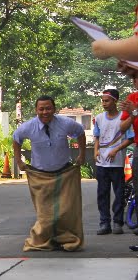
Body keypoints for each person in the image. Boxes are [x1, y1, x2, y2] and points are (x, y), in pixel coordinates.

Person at [13, 95, 86, 252]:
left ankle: (64, 239)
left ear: (54, 109)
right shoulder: (29, 126)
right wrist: (19, 161)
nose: (45, 112)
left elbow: (80, 132)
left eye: (48, 108)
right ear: (36, 110)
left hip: (64, 173)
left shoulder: (66, 123)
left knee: (65, 210)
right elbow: (16, 138)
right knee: (45, 213)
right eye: (41, 109)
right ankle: (43, 239)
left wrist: (82, 154)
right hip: (40, 175)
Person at [93, 89, 134, 235]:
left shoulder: (123, 119)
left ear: (115, 101)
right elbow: (97, 137)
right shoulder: (98, 118)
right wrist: (96, 151)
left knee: (119, 193)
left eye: (107, 100)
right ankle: (104, 223)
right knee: (102, 194)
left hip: (117, 163)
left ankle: (117, 223)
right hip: (101, 163)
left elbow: (131, 138)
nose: (104, 103)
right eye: (103, 101)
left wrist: (116, 150)